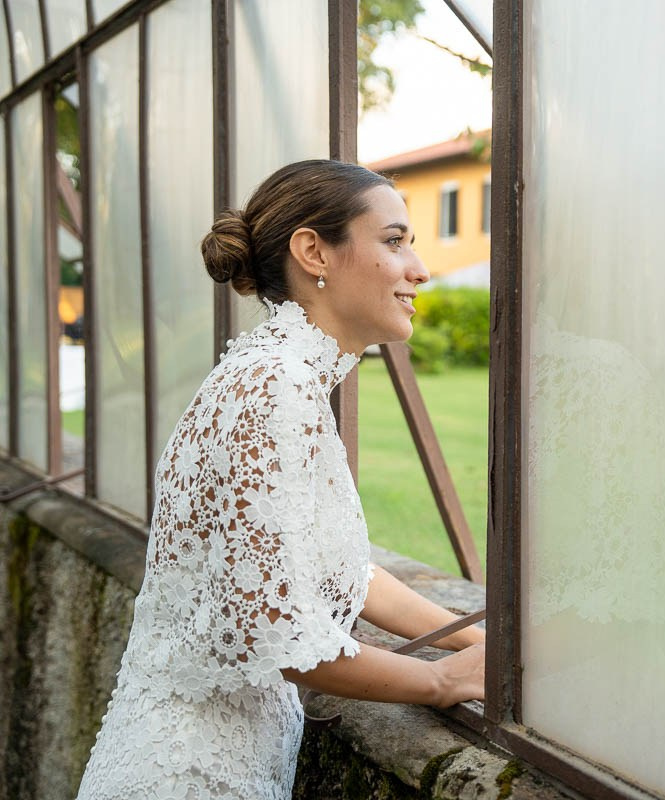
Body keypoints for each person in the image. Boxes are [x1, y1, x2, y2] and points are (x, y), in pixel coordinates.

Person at [76, 160, 485, 800]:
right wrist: (443, 682)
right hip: (192, 778)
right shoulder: (274, 388)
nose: (420, 269)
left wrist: (475, 640)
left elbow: (342, 570)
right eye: (395, 240)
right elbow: (275, 631)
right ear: (313, 250)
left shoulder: (277, 377)